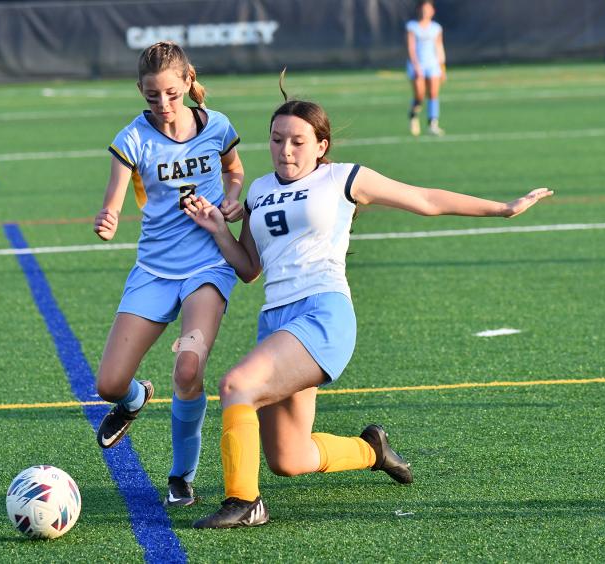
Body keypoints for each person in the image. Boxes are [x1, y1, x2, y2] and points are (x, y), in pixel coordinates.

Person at [183, 76, 553, 528]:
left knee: (236, 385)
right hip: (276, 321)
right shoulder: (259, 191)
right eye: (277, 140)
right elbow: (249, 268)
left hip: (322, 314)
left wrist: (503, 208)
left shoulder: (343, 177)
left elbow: (424, 199)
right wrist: (218, 230)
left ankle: (245, 503)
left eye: (298, 141)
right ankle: (371, 450)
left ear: (321, 145)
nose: (285, 150)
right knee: (290, 459)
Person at [92, 41, 245, 508]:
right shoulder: (133, 139)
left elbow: (234, 171)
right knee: (108, 385)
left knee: (188, 366)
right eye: (152, 95)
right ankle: (135, 399)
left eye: (172, 94)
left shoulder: (217, 125)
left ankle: (182, 475)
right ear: (140, 91)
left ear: (188, 81)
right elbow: (114, 197)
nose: (163, 104)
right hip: (154, 271)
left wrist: (231, 198)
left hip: (207, 267)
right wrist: (109, 216)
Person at [406, 0, 447, 136]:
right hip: (417, 65)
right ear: (419, 10)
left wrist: (442, 67)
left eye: (428, 9)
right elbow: (411, 48)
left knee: (433, 93)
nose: (425, 12)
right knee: (419, 95)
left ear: (432, 11)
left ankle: (432, 124)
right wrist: (416, 65)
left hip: (433, 64)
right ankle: (413, 115)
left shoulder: (436, 28)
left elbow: (439, 47)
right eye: (423, 9)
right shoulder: (412, 26)